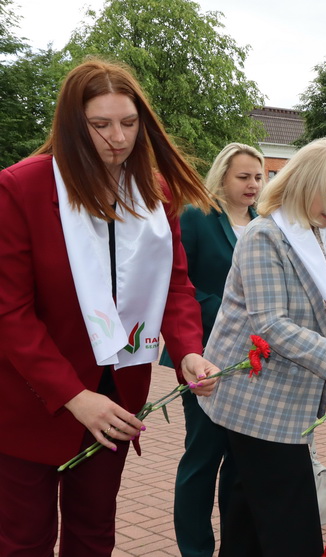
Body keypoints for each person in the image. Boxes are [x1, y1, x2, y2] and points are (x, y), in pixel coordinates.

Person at [0, 59, 219, 556]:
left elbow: (175, 285)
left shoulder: (155, 191)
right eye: (100, 124)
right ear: (72, 124)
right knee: (24, 539)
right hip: (33, 398)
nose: (118, 138)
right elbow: (10, 314)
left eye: (129, 122)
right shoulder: (21, 187)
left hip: (117, 392)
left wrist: (188, 350)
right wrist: (75, 396)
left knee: (94, 532)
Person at [197, 137, 326, 557]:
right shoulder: (265, 235)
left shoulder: (316, 234)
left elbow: (318, 303)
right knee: (292, 526)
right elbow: (271, 324)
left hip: (284, 398)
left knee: (248, 519)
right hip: (258, 402)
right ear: (305, 183)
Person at [159, 143, 264, 557]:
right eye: (244, 176)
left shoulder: (265, 224)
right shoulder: (196, 217)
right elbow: (177, 285)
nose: (253, 184)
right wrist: (232, 312)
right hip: (203, 356)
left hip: (252, 362)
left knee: (241, 463)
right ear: (222, 176)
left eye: (259, 177)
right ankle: (196, 550)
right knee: (202, 458)